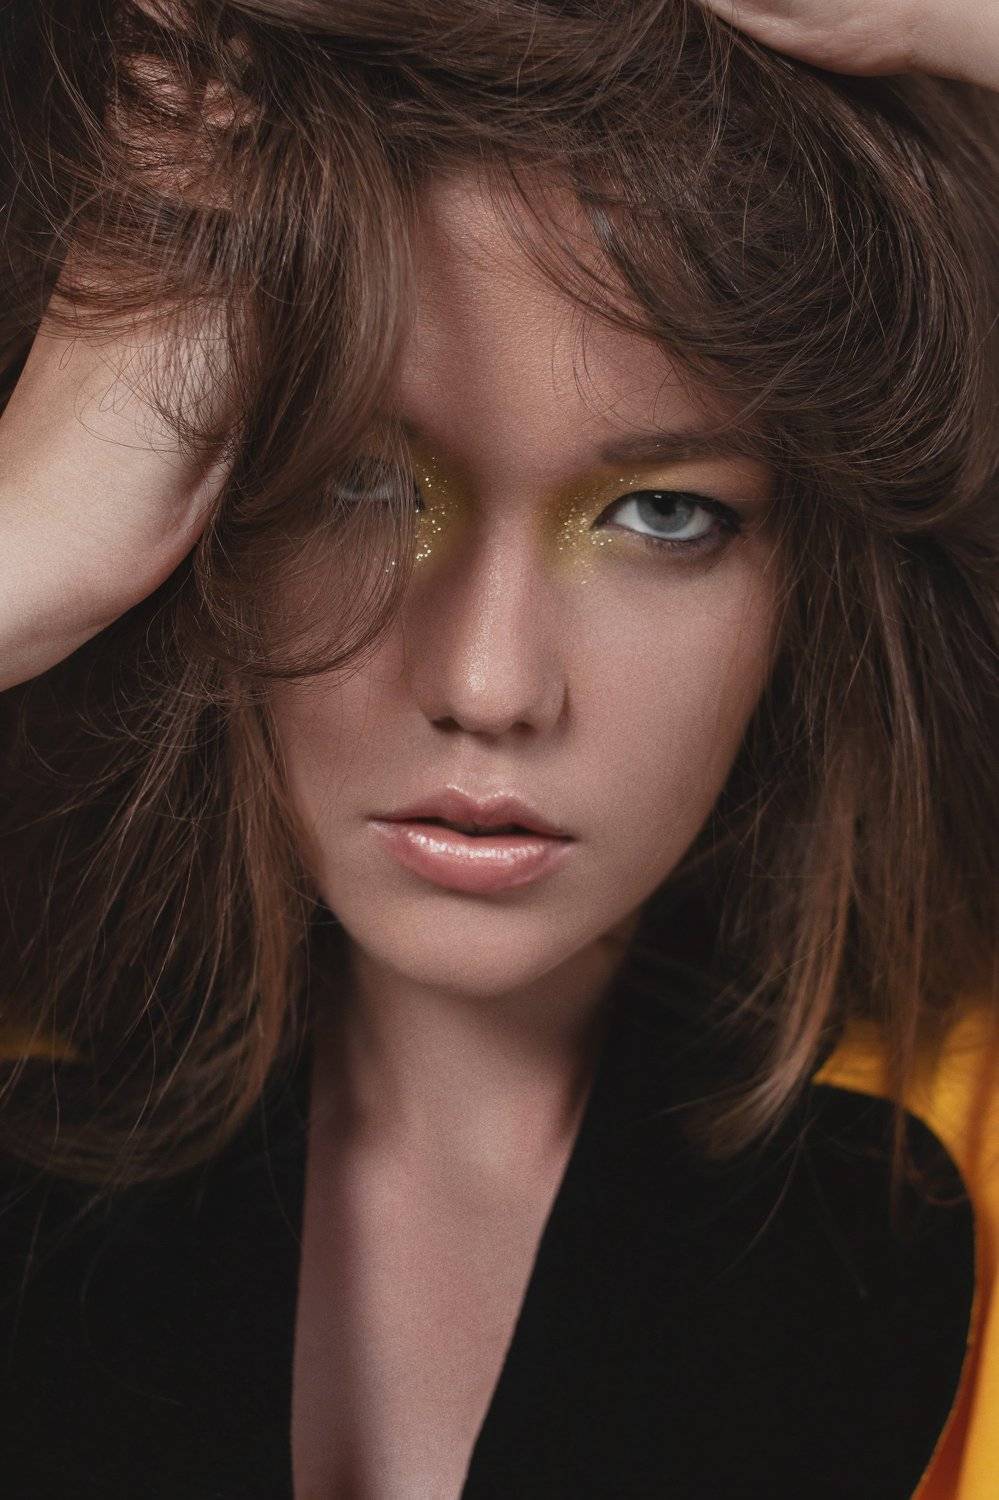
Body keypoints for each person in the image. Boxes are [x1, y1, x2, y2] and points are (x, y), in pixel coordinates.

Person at [0, 1, 996, 1496]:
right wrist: (19, 561)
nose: (490, 684)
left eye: (664, 514)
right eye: (355, 486)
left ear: (817, 575)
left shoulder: (961, 1154)